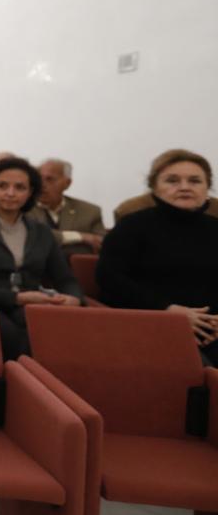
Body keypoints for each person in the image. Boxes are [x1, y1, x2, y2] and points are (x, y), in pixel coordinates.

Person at [0, 158, 83, 359]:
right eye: (2, 186)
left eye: (20, 187)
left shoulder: (42, 232)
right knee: (14, 335)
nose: (10, 193)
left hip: (29, 303)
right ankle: (13, 386)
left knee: (55, 329)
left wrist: (73, 298)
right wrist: (17, 298)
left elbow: (64, 278)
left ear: (31, 192)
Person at [98, 149, 218, 364]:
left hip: (213, 329)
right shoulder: (132, 226)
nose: (184, 187)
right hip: (151, 325)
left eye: (195, 181)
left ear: (207, 188)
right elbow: (111, 280)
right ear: (154, 188)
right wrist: (167, 310)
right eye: (172, 180)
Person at [26, 158, 106, 255]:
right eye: (39, 179)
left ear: (67, 183)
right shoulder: (24, 208)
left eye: (49, 179)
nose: (42, 185)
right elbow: (31, 235)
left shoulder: (90, 212)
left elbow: (101, 244)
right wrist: (80, 237)